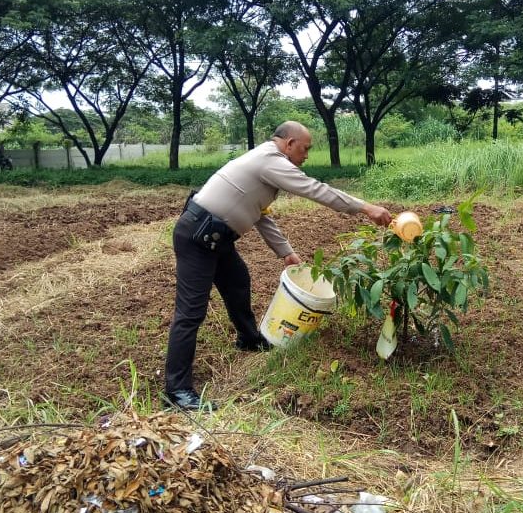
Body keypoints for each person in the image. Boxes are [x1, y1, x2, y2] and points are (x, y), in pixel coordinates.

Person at [165, 121, 393, 410]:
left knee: (238, 281)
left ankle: (248, 338)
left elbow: (260, 214)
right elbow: (314, 189)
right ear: (289, 144)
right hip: (199, 237)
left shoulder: (265, 162)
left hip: (215, 236)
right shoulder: (269, 161)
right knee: (190, 313)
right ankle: (177, 391)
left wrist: (286, 253)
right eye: (305, 148)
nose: (307, 155)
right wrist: (366, 207)